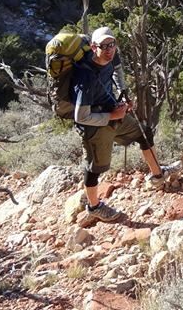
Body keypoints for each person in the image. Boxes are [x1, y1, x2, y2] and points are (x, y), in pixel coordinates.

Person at [71, 27, 165, 222]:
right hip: (94, 124)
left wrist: (123, 94)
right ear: (93, 47)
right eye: (104, 46)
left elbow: (117, 71)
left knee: (143, 133)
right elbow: (80, 116)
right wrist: (112, 116)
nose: (109, 49)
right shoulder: (85, 77)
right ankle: (94, 207)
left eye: (112, 44)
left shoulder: (111, 57)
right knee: (94, 167)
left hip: (112, 111)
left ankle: (158, 176)